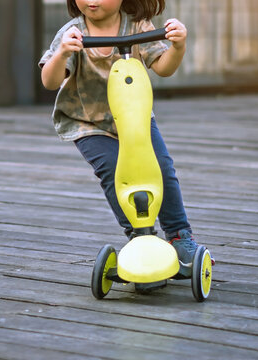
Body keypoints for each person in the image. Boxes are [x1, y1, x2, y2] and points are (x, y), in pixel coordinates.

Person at [39, 0, 198, 283]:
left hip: (135, 118)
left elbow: (163, 68)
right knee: (115, 172)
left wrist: (178, 47)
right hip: (88, 122)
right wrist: (62, 52)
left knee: (160, 167)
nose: (92, 0)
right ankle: (139, 237)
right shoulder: (73, 33)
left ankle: (178, 234)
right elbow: (50, 81)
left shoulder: (137, 26)